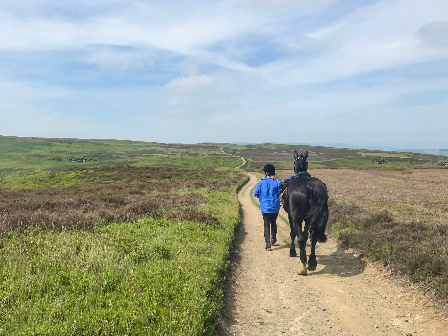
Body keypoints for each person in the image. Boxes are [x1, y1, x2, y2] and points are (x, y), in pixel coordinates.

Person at [254, 163, 282, 250]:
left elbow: (255, 193)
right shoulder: (277, 182)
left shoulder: (261, 182)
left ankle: (268, 244)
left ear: (266, 173)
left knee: (266, 225)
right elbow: (281, 192)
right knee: (273, 223)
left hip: (265, 207)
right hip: (275, 207)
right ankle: (273, 239)